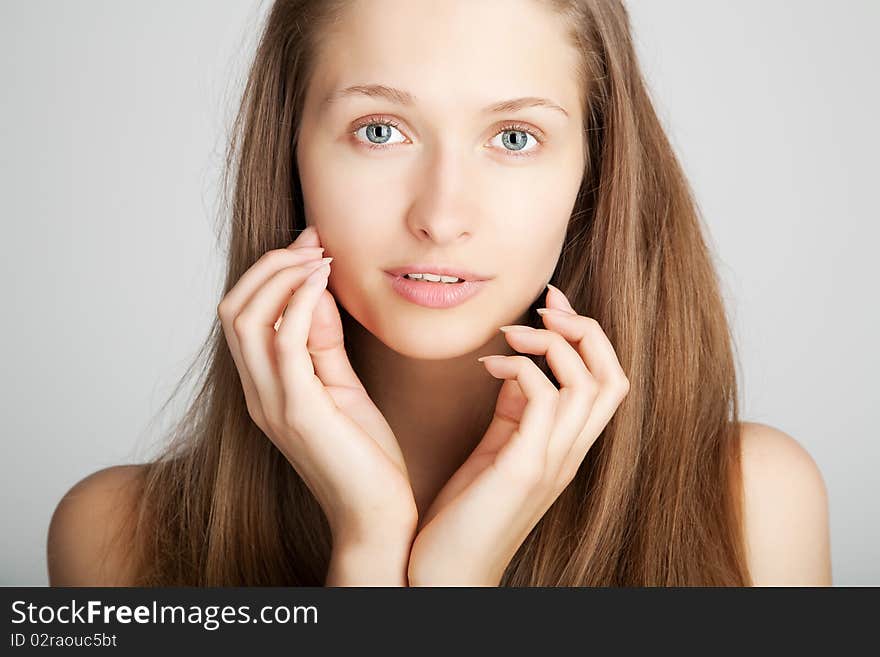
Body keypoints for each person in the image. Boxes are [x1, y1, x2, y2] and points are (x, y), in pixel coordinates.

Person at [46, 0, 831, 586]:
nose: (442, 216)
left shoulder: (753, 507)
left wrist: (456, 582)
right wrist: (368, 543)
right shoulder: (117, 540)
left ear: (594, 172)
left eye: (515, 137)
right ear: (290, 152)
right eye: (380, 129)